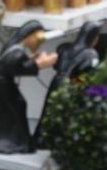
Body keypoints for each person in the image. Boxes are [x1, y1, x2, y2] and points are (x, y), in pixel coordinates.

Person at [0, 21, 58, 154]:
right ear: (30, 36)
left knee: (17, 106)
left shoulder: (15, 48)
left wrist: (34, 60)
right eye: (38, 39)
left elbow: (18, 63)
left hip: (2, 84)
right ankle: (11, 140)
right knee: (15, 107)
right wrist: (40, 64)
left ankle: (14, 138)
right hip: (1, 86)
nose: (38, 44)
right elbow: (17, 67)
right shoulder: (17, 52)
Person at [32, 21, 101, 149]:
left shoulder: (64, 48)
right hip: (72, 84)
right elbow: (87, 74)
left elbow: (57, 66)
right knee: (68, 115)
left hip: (57, 81)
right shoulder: (91, 54)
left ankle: (41, 140)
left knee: (48, 112)